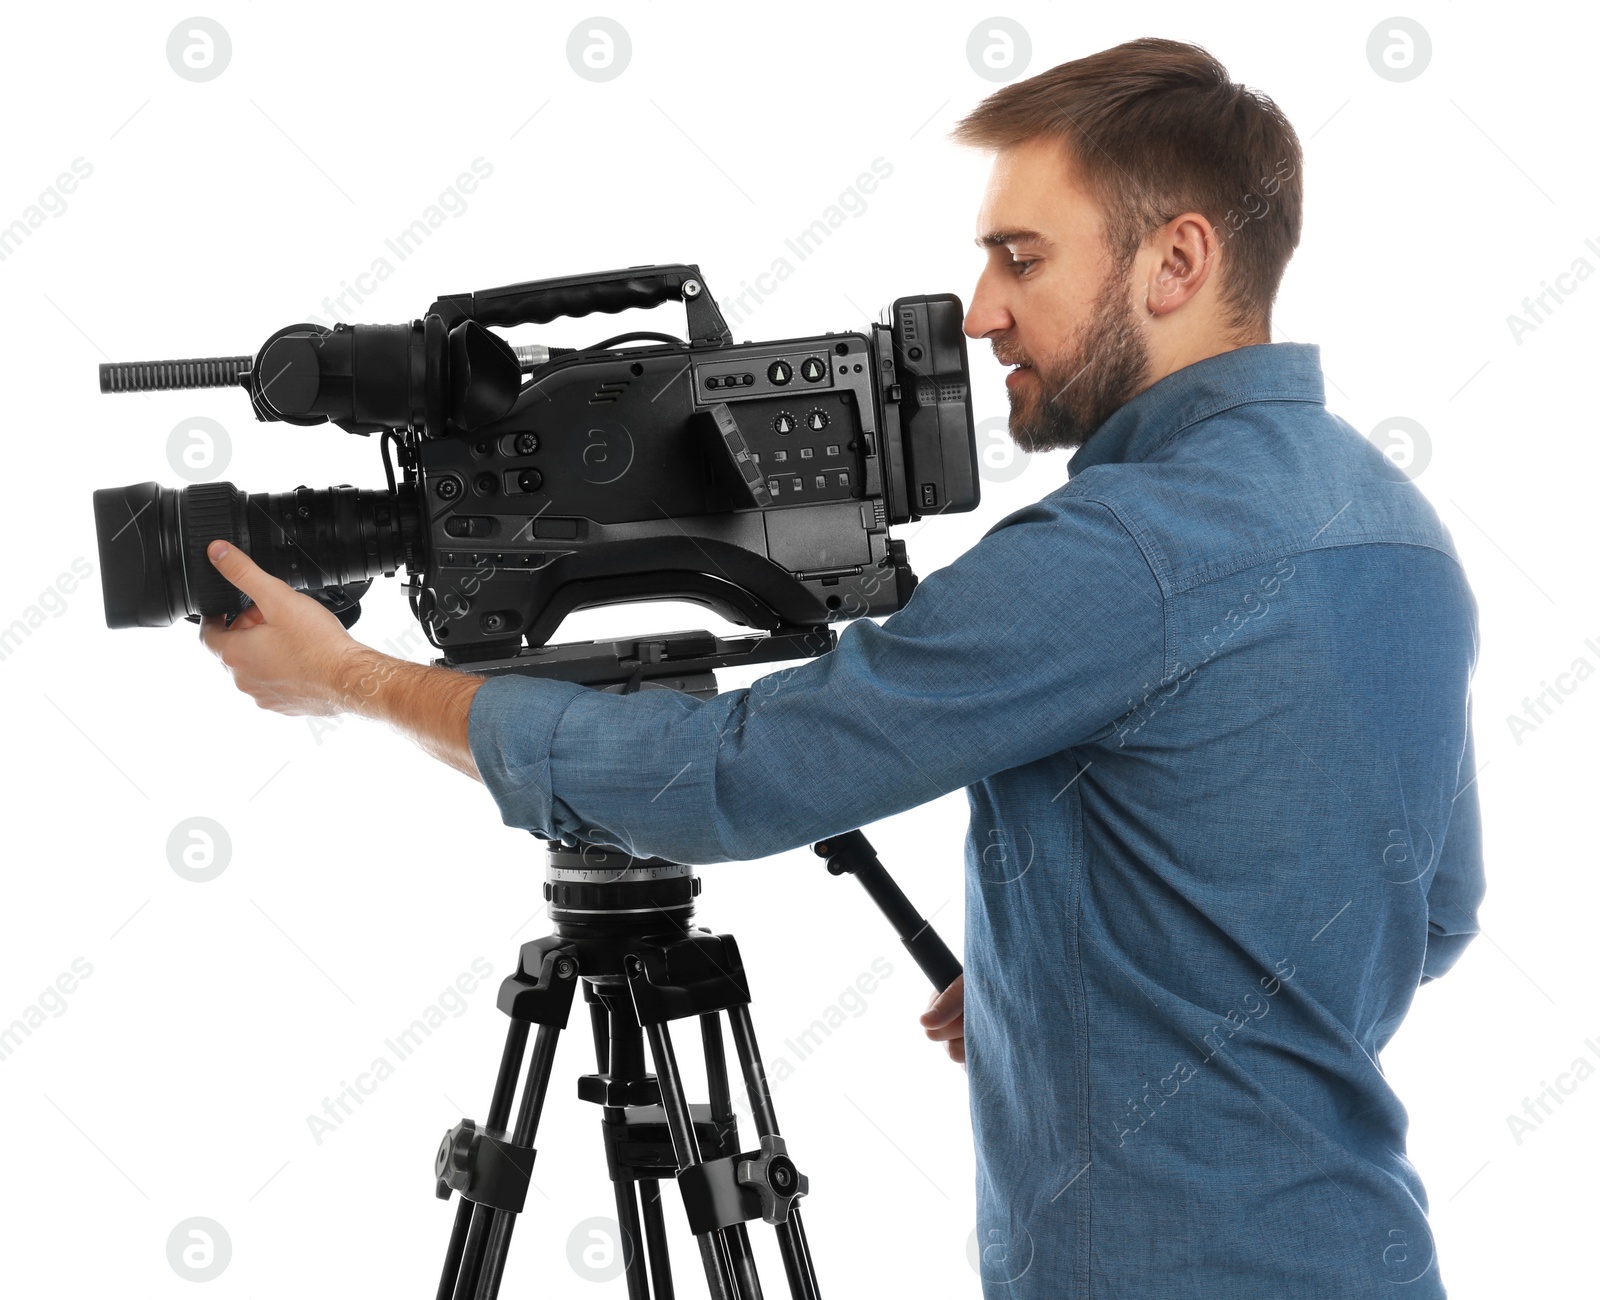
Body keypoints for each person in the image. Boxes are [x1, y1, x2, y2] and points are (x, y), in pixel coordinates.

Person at [197, 37, 1484, 1300]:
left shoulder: (1120, 554)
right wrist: (1094, 981)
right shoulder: (1396, 526)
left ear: (1178, 259)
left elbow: (734, 781)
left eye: (1020, 258)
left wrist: (354, 680)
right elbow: (1426, 912)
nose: (979, 312)